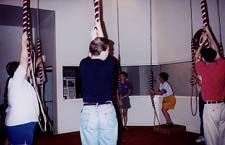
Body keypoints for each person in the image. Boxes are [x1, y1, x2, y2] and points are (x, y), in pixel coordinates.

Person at [79, 37, 118, 145]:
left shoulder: (83, 63)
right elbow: (95, 51)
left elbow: (91, 52)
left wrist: (94, 37)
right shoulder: (111, 62)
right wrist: (97, 29)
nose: (109, 51)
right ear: (103, 51)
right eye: (108, 49)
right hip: (106, 110)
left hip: (89, 111)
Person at [5, 33, 39, 145]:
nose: (27, 69)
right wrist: (23, 41)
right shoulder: (16, 80)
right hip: (21, 123)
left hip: (24, 123)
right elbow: (24, 60)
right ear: (18, 72)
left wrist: (38, 61)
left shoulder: (21, 83)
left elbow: (31, 69)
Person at [194, 25, 225, 145]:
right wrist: (209, 33)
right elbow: (217, 50)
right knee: (222, 138)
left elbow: (196, 57)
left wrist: (202, 43)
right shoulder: (222, 65)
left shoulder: (204, 69)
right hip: (222, 106)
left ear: (205, 59)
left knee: (212, 140)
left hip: (211, 108)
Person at [192, 29, 205, 143]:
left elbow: (201, 83)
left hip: (206, 96)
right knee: (202, 116)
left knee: (204, 116)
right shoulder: (200, 72)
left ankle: (205, 135)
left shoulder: (204, 70)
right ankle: (203, 134)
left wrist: (195, 77)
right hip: (203, 95)